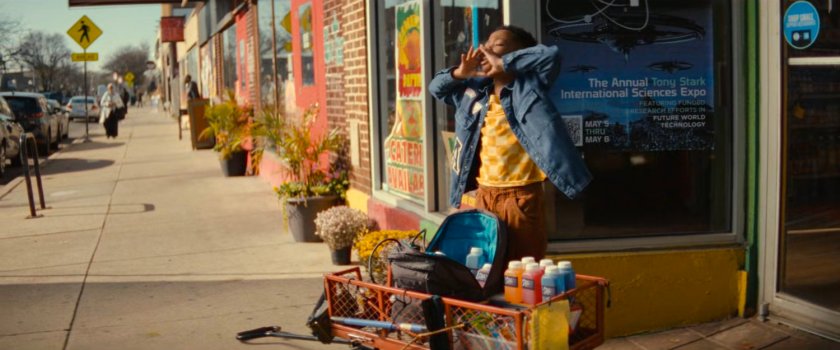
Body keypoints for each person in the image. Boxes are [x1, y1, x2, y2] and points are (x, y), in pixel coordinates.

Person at [428, 26, 592, 261]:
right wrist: (459, 73)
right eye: (487, 42)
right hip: (483, 194)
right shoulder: (474, 91)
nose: (486, 48)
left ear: (519, 55)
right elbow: (436, 88)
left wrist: (505, 64)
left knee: (522, 266)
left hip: (520, 196)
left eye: (499, 45)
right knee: (485, 264)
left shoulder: (530, 87)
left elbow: (551, 55)